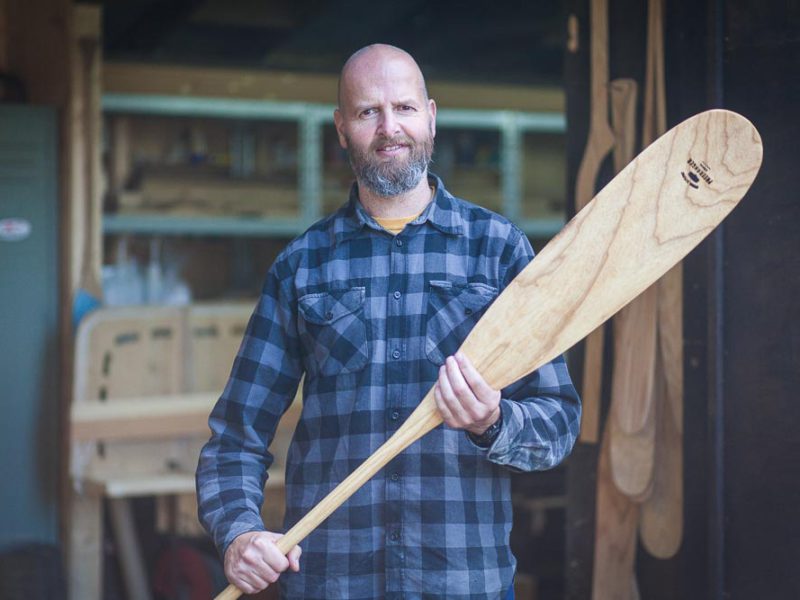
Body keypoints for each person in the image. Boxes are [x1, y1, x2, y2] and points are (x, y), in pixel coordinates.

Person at [196, 43, 581, 600]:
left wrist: (493, 422)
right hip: (332, 583)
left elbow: (558, 424)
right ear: (341, 128)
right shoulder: (303, 266)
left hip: (462, 581)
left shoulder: (498, 253)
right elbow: (236, 435)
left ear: (431, 115)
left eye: (403, 108)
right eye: (367, 112)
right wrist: (239, 532)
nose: (388, 128)